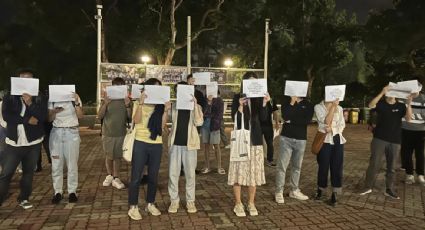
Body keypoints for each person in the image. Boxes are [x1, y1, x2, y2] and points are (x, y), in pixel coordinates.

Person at [0, 69, 48, 209]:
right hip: (13, 143)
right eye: (23, 80)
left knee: (28, 172)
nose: (26, 83)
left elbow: (41, 116)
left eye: (29, 80)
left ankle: (24, 198)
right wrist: (27, 120)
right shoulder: (9, 97)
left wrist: (30, 103)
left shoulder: (39, 97)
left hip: (33, 143)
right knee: (6, 174)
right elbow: (7, 116)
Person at [127, 78, 171, 220]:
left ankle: (150, 203)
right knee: (136, 176)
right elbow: (136, 120)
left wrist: (166, 110)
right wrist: (140, 103)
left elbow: (162, 126)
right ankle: (133, 206)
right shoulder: (138, 102)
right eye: (154, 88)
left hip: (156, 143)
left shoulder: (160, 106)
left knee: (153, 176)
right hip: (140, 141)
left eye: (160, 88)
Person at [360, 85, 413, 199]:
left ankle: (389, 189)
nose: (391, 93)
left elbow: (409, 119)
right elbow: (370, 105)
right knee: (374, 164)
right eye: (389, 91)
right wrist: (381, 92)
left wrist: (409, 104)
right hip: (379, 138)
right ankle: (367, 186)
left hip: (395, 140)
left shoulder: (401, 106)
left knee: (391, 167)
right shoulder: (381, 104)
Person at [228, 72, 269, 217]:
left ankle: (251, 203)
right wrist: (240, 106)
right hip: (240, 140)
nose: (252, 84)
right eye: (249, 81)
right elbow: (234, 118)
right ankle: (238, 203)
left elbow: (264, 118)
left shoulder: (259, 98)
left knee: (254, 173)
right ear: (244, 83)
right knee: (238, 172)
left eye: (255, 81)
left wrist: (265, 102)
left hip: (255, 140)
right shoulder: (237, 97)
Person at [167, 81, 203, 214]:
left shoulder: (195, 106)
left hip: (190, 145)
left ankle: (190, 201)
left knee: (190, 174)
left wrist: (194, 105)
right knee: (173, 174)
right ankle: (174, 200)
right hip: (175, 144)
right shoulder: (173, 106)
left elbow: (199, 122)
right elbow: (165, 119)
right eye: (178, 91)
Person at [275, 96, 314, 203]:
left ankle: (294, 190)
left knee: (297, 167)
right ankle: (279, 191)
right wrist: (292, 102)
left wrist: (290, 120)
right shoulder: (287, 102)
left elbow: (306, 120)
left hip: (301, 139)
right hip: (286, 138)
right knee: (282, 166)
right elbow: (285, 115)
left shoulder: (309, 104)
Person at [49, 91, 84, 204]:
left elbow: (80, 116)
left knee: (72, 163)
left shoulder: (75, 98)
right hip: (57, 132)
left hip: (71, 132)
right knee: (56, 164)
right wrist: (54, 111)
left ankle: (72, 191)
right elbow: (49, 119)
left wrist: (77, 102)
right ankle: (57, 191)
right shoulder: (52, 98)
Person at [98, 77, 131, 190]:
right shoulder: (107, 99)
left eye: (120, 86)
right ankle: (109, 175)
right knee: (108, 156)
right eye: (116, 86)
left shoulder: (126, 100)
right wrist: (105, 104)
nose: (118, 88)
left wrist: (127, 105)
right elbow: (100, 116)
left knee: (118, 156)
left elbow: (130, 117)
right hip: (107, 132)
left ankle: (116, 177)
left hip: (121, 132)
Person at [313, 97, 345, 206]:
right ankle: (321, 189)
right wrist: (333, 107)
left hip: (337, 139)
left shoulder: (340, 108)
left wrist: (334, 129)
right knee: (323, 166)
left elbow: (342, 124)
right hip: (324, 139)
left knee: (337, 166)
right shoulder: (318, 107)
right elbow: (326, 121)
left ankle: (335, 192)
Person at [400, 79, 425, 185]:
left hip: (420, 131)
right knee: (406, 153)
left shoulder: (423, 99)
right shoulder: (403, 98)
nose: (413, 92)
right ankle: (409, 174)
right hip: (405, 130)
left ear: (420, 89)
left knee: (420, 154)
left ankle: (420, 175)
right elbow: (402, 114)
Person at [200, 90, 225, 174]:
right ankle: (207, 166)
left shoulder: (219, 101)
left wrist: (211, 102)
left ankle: (219, 166)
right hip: (205, 125)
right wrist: (208, 103)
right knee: (206, 145)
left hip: (215, 125)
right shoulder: (204, 100)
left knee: (216, 146)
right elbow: (202, 113)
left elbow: (220, 114)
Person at [262, 97, 279, 167]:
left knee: (270, 143)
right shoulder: (255, 97)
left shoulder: (271, 100)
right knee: (256, 144)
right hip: (256, 126)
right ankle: (257, 160)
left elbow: (275, 111)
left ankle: (270, 160)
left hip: (267, 125)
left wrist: (277, 122)